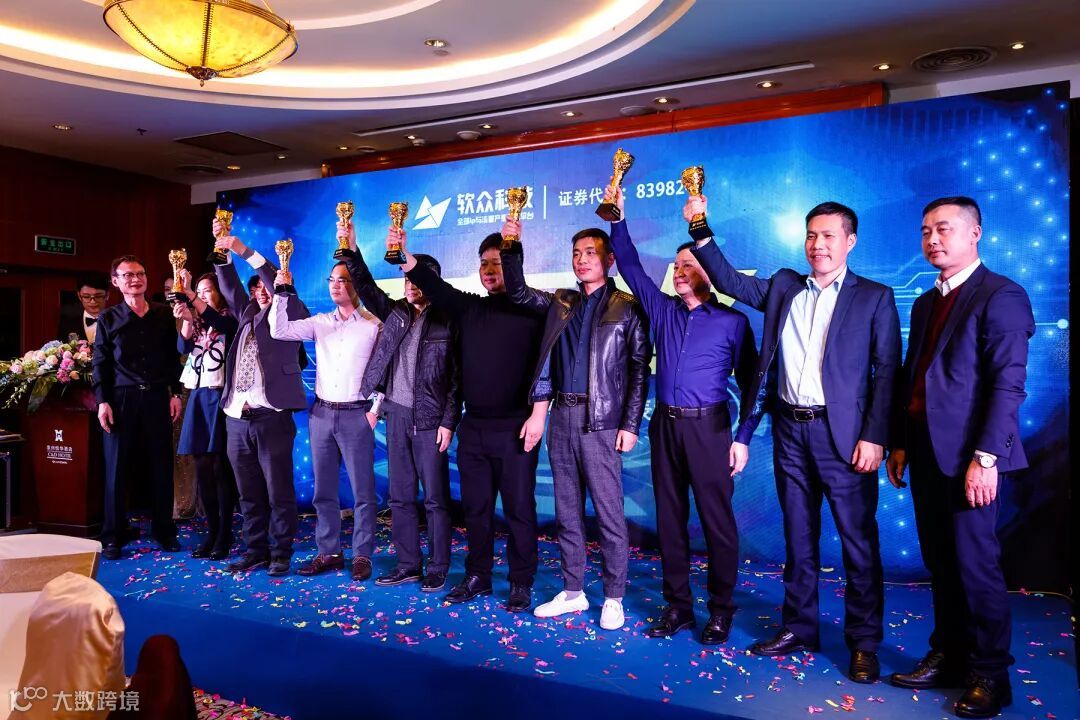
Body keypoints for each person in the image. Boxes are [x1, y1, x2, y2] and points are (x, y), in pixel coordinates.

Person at [686, 195, 901, 681]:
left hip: (845, 437)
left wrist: (875, 437)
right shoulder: (785, 286)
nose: (818, 245)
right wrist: (699, 225)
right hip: (789, 431)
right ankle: (799, 626)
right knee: (798, 536)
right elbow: (729, 281)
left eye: (828, 236)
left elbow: (888, 371)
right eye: (811, 235)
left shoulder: (874, 297)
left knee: (858, 542)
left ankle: (864, 642)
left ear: (850, 241)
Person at [886, 196, 1033, 718]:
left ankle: (991, 675)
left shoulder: (1001, 295)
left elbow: (1008, 385)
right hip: (925, 451)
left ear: (975, 233)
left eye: (944, 229)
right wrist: (901, 441)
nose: (932, 239)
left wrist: (986, 458)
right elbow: (914, 377)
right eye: (926, 230)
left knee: (976, 567)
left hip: (973, 458)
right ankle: (949, 656)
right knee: (941, 563)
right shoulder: (926, 301)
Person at [604, 186, 759, 645]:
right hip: (665, 428)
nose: (681, 271)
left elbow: (753, 386)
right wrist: (618, 219)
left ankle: (721, 610)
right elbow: (630, 265)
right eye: (677, 266)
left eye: (690, 264)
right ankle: (678, 607)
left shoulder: (733, 323)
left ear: (709, 270)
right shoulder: (662, 310)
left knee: (717, 523)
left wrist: (743, 437)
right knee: (670, 522)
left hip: (710, 429)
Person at [500, 220, 650, 630]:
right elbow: (518, 291)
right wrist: (511, 244)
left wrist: (630, 424)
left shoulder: (627, 306)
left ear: (609, 259)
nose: (582, 260)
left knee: (609, 515)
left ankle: (614, 596)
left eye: (590, 253)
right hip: (561, 418)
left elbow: (639, 370)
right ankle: (573, 592)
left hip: (602, 422)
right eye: (576, 254)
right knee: (567, 511)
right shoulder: (561, 303)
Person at [391, 225, 546, 613]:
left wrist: (512, 246)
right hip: (473, 427)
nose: (489, 270)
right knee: (476, 510)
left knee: (519, 510)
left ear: (513, 265)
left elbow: (550, 369)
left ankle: (521, 581)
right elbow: (436, 287)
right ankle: (478, 575)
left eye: (497, 262)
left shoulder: (534, 309)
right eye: (483, 263)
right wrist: (405, 256)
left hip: (516, 428)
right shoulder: (471, 308)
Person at [338, 222, 461, 592]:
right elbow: (365, 286)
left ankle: (438, 566)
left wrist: (448, 421)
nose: (410, 285)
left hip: (430, 420)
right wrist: (351, 250)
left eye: (417, 279)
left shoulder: (449, 320)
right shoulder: (396, 313)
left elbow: (457, 378)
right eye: (407, 279)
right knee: (400, 498)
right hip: (396, 416)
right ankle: (408, 564)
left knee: (435, 500)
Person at [268, 261, 382, 581]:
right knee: (324, 490)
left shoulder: (373, 324)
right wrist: (281, 292)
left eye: (342, 280)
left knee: (363, 492)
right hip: (321, 414)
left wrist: (375, 410)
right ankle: (328, 551)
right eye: (332, 279)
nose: (335, 285)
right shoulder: (320, 322)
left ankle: (362, 554)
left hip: (357, 413)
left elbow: (386, 367)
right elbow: (279, 330)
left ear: (356, 284)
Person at [212, 222, 310, 577]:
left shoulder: (291, 313)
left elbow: (274, 280)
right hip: (237, 418)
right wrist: (221, 252)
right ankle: (255, 550)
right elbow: (229, 287)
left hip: (271, 417)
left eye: (266, 287)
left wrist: (244, 250)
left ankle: (281, 551)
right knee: (248, 492)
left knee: (278, 490)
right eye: (256, 289)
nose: (261, 292)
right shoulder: (246, 314)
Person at [92, 255, 183, 560]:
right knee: (116, 468)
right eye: (128, 275)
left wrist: (175, 393)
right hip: (121, 398)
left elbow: (172, 358)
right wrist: (102, 401)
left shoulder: (162, 314)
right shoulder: (108, 318)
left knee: (161, 465)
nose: (135, 279)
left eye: (140, 273)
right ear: (116, 282)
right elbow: (100, 362)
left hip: (157, 396)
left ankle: (164, 531)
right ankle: (113, 535)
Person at [173, 270, 239, 561]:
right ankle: (212, 531)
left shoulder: (231, 317)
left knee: (220, 467)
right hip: (198, 396)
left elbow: (221, 324)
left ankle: (225, 532)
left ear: (220, 293)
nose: (201, 296)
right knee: (201, 465)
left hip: (221, 396)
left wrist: (191, 299)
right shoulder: (197, 321)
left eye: (206, 291)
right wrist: (187, 321)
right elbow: (182, 347)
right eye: (197, 291)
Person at [58, 272, 109, 342]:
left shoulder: (118, 322)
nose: (93, 302)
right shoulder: (67, 324)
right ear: (79, 296)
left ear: (107, 295)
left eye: (98, 296)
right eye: (86, 297)